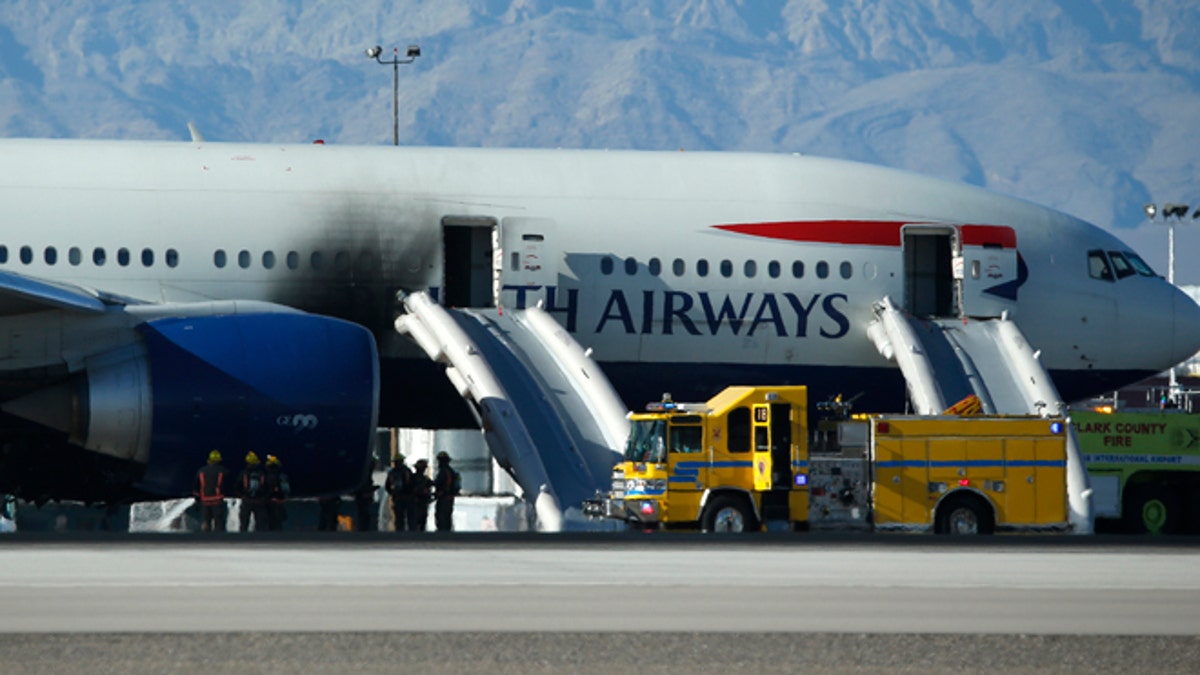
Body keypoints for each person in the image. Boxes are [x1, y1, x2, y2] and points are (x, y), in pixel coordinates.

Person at [193, 450, 229, 532]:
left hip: (205, 501)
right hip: (218, 501)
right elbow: (227, 485)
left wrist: (197, 500)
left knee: (205, 523)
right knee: (219, 523)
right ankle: (220, 541)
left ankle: (205, 541)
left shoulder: (201, 471)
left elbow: (196, 487)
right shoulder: (223, 471)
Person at [237, 451, 268, 532]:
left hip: (246, 500)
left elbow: (237, 486)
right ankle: (262, 539)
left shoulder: (243, 473)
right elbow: (266, 486)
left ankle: (242, 539)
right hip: (259, 501)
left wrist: (242, 494)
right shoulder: (261, 473)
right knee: (260, 523)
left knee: (244, 523)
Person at [385, 454, 414, 531]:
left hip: (401, 497)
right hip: (404, 497)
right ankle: (407, 530)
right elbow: (413, 484)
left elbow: (387, 486)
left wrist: (392, 493)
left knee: (401, 516)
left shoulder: (393, 472)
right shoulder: (406, 471)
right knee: (405, 516)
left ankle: (401, 530)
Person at [433, 451, 461, 532]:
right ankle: (445, 530)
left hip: (445, 497)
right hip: (447, 497)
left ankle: (443, 530)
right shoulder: (449, 471)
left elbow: (445, 484)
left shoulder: (445, 471)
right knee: (446, 514)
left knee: (442, 514)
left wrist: (440, 492)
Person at [263, 454, 290, 531]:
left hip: (269, 501)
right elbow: (286, 490)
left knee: (269, 522)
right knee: (278, 523)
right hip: (280, 501)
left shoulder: (266, 476)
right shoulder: (282, 476)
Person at [408, 459, 432, 531]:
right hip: (416, 501)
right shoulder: (414, 478)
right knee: (416, 518)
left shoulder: (425, 479)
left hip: (421, 501)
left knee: (421, 519)